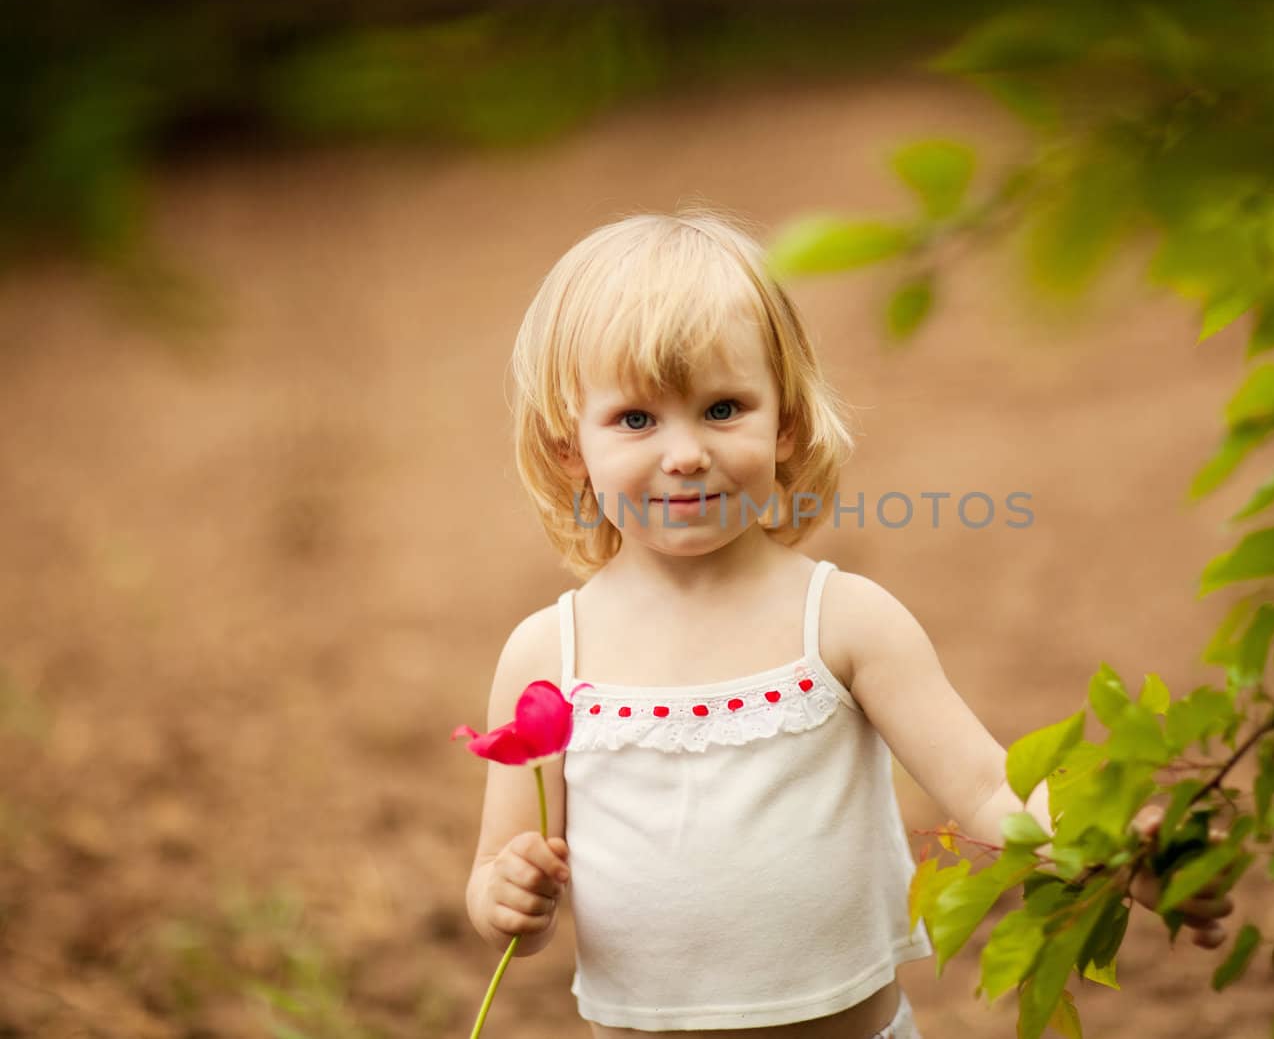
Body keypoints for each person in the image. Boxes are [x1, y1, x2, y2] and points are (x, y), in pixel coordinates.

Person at [463, 208, 1232, 1039]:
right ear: (568, 446)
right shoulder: (550, 651)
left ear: (785, 423)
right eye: (637, 420)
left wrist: (1117, 853)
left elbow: (985, 785)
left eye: (723, 408)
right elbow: (497, 868)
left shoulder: (842, 621)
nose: (684, 453)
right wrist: (508, 897)